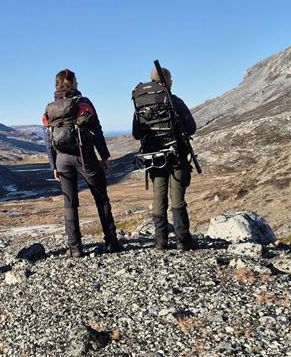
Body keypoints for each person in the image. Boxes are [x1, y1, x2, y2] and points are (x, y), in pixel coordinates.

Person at [42, 69, 120, 257]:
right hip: (84, 157)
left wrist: (53, 165)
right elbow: (97, 130)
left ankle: (75, 248)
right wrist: (105, 156)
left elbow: (47, 139)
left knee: (69, 203)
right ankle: (111, 242)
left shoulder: (49, 108)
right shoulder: (82, 102)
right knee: (101, 198)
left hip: (62, 159)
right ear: (72, 82)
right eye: (76, 80)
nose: (78, 83)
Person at [132, 67, 197, 251]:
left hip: (154, 157)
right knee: (177, 199)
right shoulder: (174, 100)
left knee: (159, 197)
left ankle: (161, 241)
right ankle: (183, 240)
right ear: (167, 80)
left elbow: (136, 133)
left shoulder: (141, 103)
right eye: (171, 79)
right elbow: (191, 128)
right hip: (176, 156)